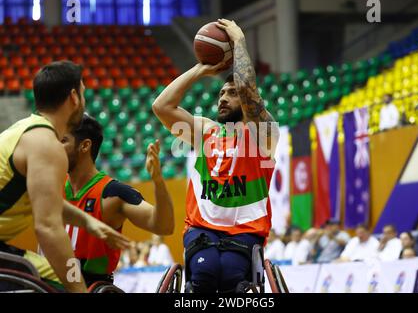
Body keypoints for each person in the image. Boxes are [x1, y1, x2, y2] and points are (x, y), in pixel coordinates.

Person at [152, 19, 279, 293]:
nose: (222, 98)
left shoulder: (264, 133)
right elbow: (161, 106)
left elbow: (248, 91)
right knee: (204, 276)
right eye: (221, 92)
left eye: (231, 93)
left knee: (234, 281)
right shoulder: (205, 131)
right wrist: (200, 69)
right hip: (201, 228)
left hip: (244, 231)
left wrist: (240, 43)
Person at [0, 61, 129, 292]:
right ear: (74, 96)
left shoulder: (24, 129)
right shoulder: (48, 146)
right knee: (70, 283)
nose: (84, 100)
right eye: (83, 93)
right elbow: (48, 228)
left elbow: (47, 202)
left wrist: (87, 221)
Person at [61, 114, 174, 285]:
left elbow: (163, 226)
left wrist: (158, 181)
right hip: (49, 282)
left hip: (92, 285)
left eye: (62, 141)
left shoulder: (113, 193)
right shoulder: (50, 185)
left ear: (84, 146)